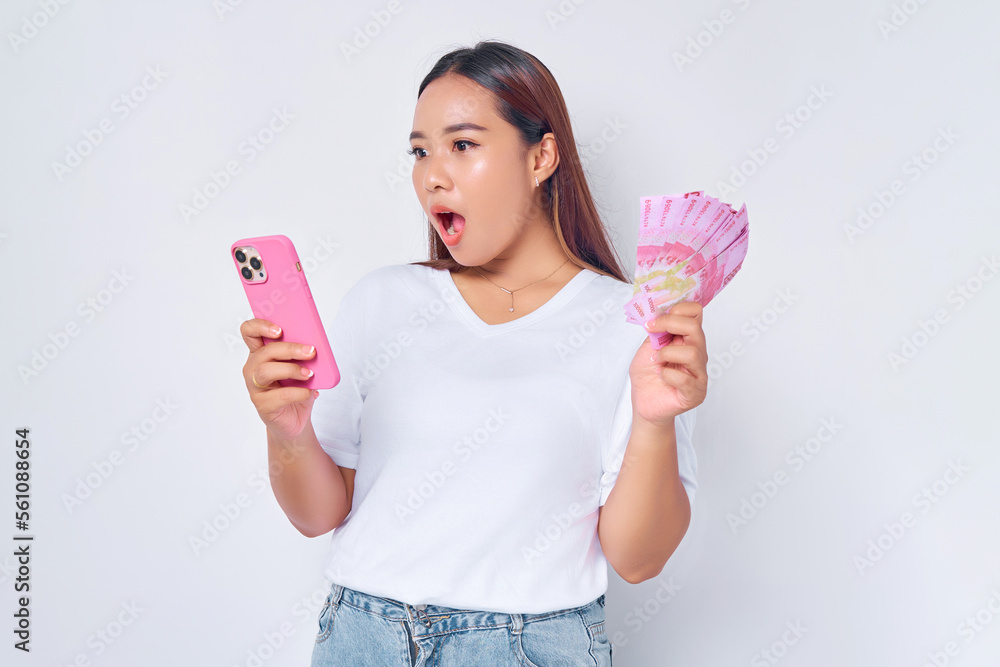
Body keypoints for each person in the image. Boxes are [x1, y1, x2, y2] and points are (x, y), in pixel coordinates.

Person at [239, 40, 707, 667]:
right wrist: (287, 430)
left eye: (462, 145)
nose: (432, 173)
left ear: (541, 156)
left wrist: (655, 419)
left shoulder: (630, 325)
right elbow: (318, 514)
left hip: (529, 647)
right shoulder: (382, 302)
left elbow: (639, 558)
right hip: (361, 637)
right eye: (419, 150)